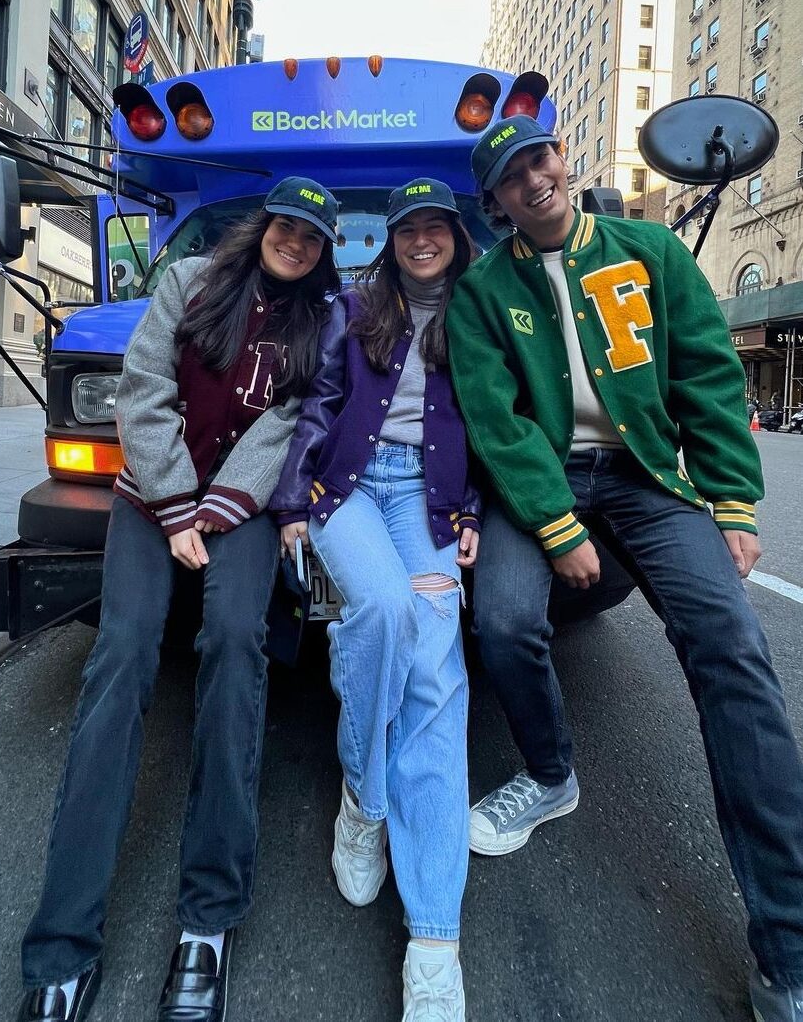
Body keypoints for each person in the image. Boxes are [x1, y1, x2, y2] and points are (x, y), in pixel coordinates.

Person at [446, 114, 803, 1022]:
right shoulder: (484, 291)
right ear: (495, 205)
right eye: (514, 176)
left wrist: (731, 500)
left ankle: (787, 951)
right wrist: (559, 529)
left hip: (648, 473)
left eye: (544, 159)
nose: (537, 180)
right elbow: (496, 421)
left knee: (734, 651)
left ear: (563, 162)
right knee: (502, 622)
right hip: (547, 480)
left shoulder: (649, 252)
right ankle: (551, 775)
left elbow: (709, 375)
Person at [16, 178, 341, 1022]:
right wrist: (171, 503)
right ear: (263, 226)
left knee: (234, 646)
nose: (295, 244)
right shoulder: (187, 280)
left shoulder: (320, 319)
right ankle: (61, 945)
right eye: (286, 227)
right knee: (120, 656)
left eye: (312, 238)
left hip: (238, 505)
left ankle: (208, 921)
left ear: (323, 252)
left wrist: (219, 509)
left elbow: (288, 424)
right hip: (150, 494)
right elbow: (143, 385)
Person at [271, 179, 480, 1022]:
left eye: (436, 227)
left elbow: (501, 425)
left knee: (437, 671)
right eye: (408, 230)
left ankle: (434, 941)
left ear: (456, 238)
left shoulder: (485, 315)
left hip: (429, 500)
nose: (422, 240)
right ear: (388, 242)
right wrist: (291, 505)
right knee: (385, 614)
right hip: (348, 491)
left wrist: (473, 514)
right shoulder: (355, 309)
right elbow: (317, 407)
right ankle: (363, 796)